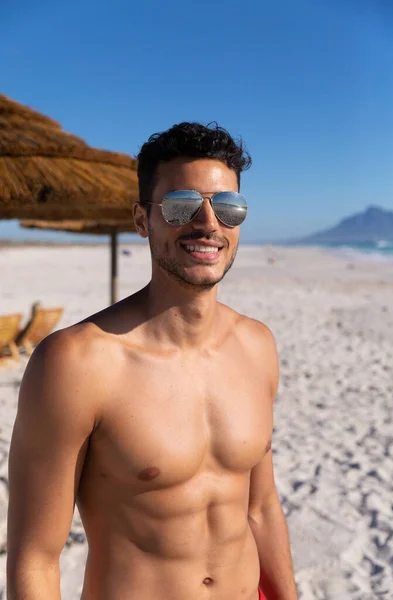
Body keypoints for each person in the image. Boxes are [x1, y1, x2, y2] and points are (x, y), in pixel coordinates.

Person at [7, 122, 298, 600]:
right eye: (182, 205)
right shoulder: (75, 364)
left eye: (228, 207)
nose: (208, 224)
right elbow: (36, 558)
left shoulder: (257, 346)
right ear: (143, 221)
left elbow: (262, 508)